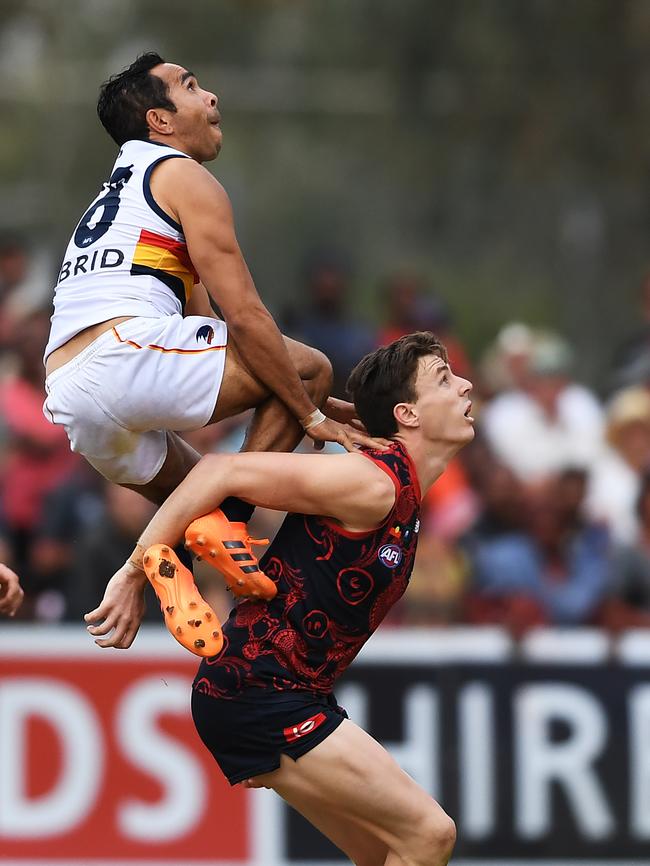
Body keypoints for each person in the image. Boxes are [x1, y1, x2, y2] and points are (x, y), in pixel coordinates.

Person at [88, 332, 472, 866]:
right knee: (430, 835)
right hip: (259, 691)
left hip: (276, 692)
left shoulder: (398, 485)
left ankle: (216, 545)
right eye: (445, 380)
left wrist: (332, 408)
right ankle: (200, 550)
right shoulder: (374, 485)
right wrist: (132, 571)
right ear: (407, 413)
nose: (466, 385)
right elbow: (218, 470)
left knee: (387, 851)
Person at [43, 52, 382, 627]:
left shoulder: (122, 188)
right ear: (161, 121)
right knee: (309, 367)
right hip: (123, 354)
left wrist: (313, 404)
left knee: (206, 507)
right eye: (191, 86)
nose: (211, 97)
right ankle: (216, 541)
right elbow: (247, 317)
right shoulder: (182, 176)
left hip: (72, 391)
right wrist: (310, 411)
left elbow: (211, 326)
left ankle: (158, 570)